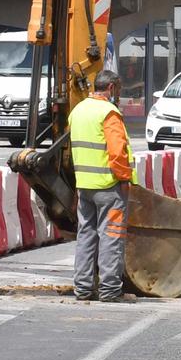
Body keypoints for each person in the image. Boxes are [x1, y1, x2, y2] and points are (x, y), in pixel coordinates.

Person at [69, 69, 133, 302]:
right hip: (108, 186)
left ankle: (83, 289)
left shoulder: (78, 111)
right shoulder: (109, 113)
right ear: (112, 88)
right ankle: (109, 290)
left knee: (86, 235)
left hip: (84, 185)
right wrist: (125, 178)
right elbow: (117, 153)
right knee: (111, 237)